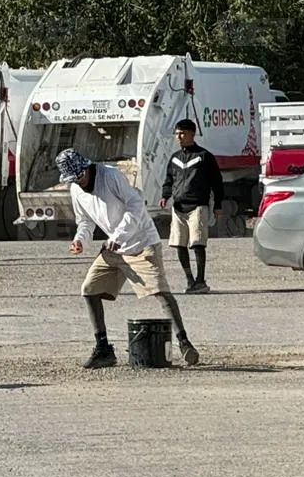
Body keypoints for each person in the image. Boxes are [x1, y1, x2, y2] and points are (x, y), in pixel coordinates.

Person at [57, 148, 199, 369]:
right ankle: (103, 348)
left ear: (86, 167)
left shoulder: (110, 176)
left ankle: (184, 343)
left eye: (80, 176)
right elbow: (85, 222)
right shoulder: (76, 189)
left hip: (141, 242)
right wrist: (80, 241)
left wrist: (118, 235)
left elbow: (135, 206)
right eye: (73, 179)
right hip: (113, 249)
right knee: (89, 289)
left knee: (160, 291)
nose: (79, 181)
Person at [160, 119, 225, 294]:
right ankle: (189, 280)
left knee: (197, 244)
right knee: (179, 244)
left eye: (182, 133)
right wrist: (165, 196)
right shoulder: (175, 158)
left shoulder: (204, 157)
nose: (179, 137)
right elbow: (169, 180)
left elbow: (217, 183)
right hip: (178, 207)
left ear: (191, 134)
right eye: (177, 133)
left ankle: (201, 280)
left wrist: (218, 205)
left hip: (198, 206)